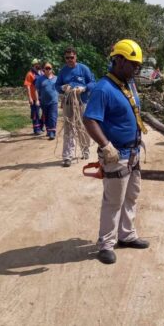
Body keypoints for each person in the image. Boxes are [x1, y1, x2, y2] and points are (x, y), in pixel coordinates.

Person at [83, 39, 149, 265]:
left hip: (133, 153)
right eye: (133, 64)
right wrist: (105, 146)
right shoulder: (103, 88)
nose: (136, 70)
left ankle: (127, 235)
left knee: (131, 196)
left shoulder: (127, 84)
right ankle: (106, 244)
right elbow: (90, 119)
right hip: (116, 154)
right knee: (114, 201)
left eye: (138, 66)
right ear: (119, 60)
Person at [55, 46, 96, 167]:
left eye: (71, 57)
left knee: (82, 127)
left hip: (81, 102)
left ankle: (85, 149)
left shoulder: (83, 69)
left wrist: (84, 88)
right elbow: (57, 86)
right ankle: (67, 156)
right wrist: (63, 88)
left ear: (75, 57)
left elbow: (93, 83)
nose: (69, 60)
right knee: (68, 128)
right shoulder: (62, 71)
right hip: (68, 103)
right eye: (67, 58)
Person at [36, 62, 58, 140]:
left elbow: (60, 89)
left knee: (53, 116)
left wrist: (63, 99)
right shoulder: (40, 79)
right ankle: (49, 130)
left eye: (49, 68)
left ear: (52, 69)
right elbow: (36, 90)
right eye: (46, 68)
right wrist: (37, 100)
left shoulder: (56, 78)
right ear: (43, 69)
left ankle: (52, 133)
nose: (48, 70)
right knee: (46, 116)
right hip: (43, 102)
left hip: (54, 101)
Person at [23, 58, 43, 135]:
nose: (39, 65)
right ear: (34, 65)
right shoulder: (30, 74)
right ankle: (36, 129)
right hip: (34, 98)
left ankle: (41, 127)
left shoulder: (41, 73)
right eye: (37, 64)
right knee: (35, 113)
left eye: (39, 63)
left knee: (44, 112)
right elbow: (27, 86)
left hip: (42, 96)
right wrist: (30, 98)